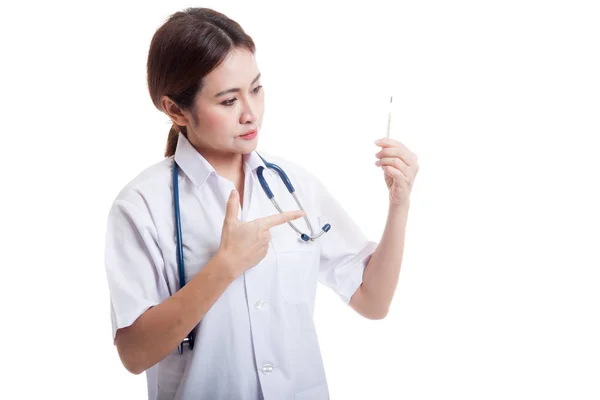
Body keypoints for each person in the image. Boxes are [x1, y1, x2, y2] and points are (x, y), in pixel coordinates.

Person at [103, 7, 419, 400]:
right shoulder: (141, 206)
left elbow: (373, 301)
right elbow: (134, 354)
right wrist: (224, 267)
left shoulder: (295, 185)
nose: (251, 113)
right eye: (228, 101)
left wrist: (399, 204)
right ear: (175, 110)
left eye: (255, 88)